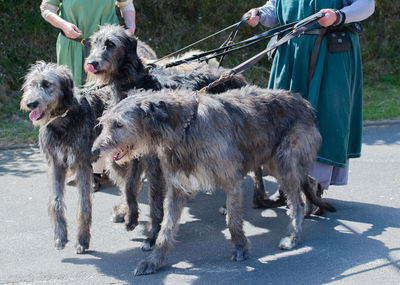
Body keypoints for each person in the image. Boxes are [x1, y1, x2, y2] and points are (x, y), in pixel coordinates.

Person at [245, 0, 375, 206]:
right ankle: (286, 186)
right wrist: (260, 14)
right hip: (290, 55)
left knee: (325, 116)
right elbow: (275, 8)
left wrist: (338, 15)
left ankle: (314, 188)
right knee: (281, 119)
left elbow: (366, 5)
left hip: (330, 55)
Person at [40, 0, 136, 191]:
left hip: (106, 51)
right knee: (70, 105)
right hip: (71, 47)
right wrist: (64, 25)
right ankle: (74, 160)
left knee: (102, 106)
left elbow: (127, 5)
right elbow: (47, 9)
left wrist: (130, 26)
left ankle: (96, 169)